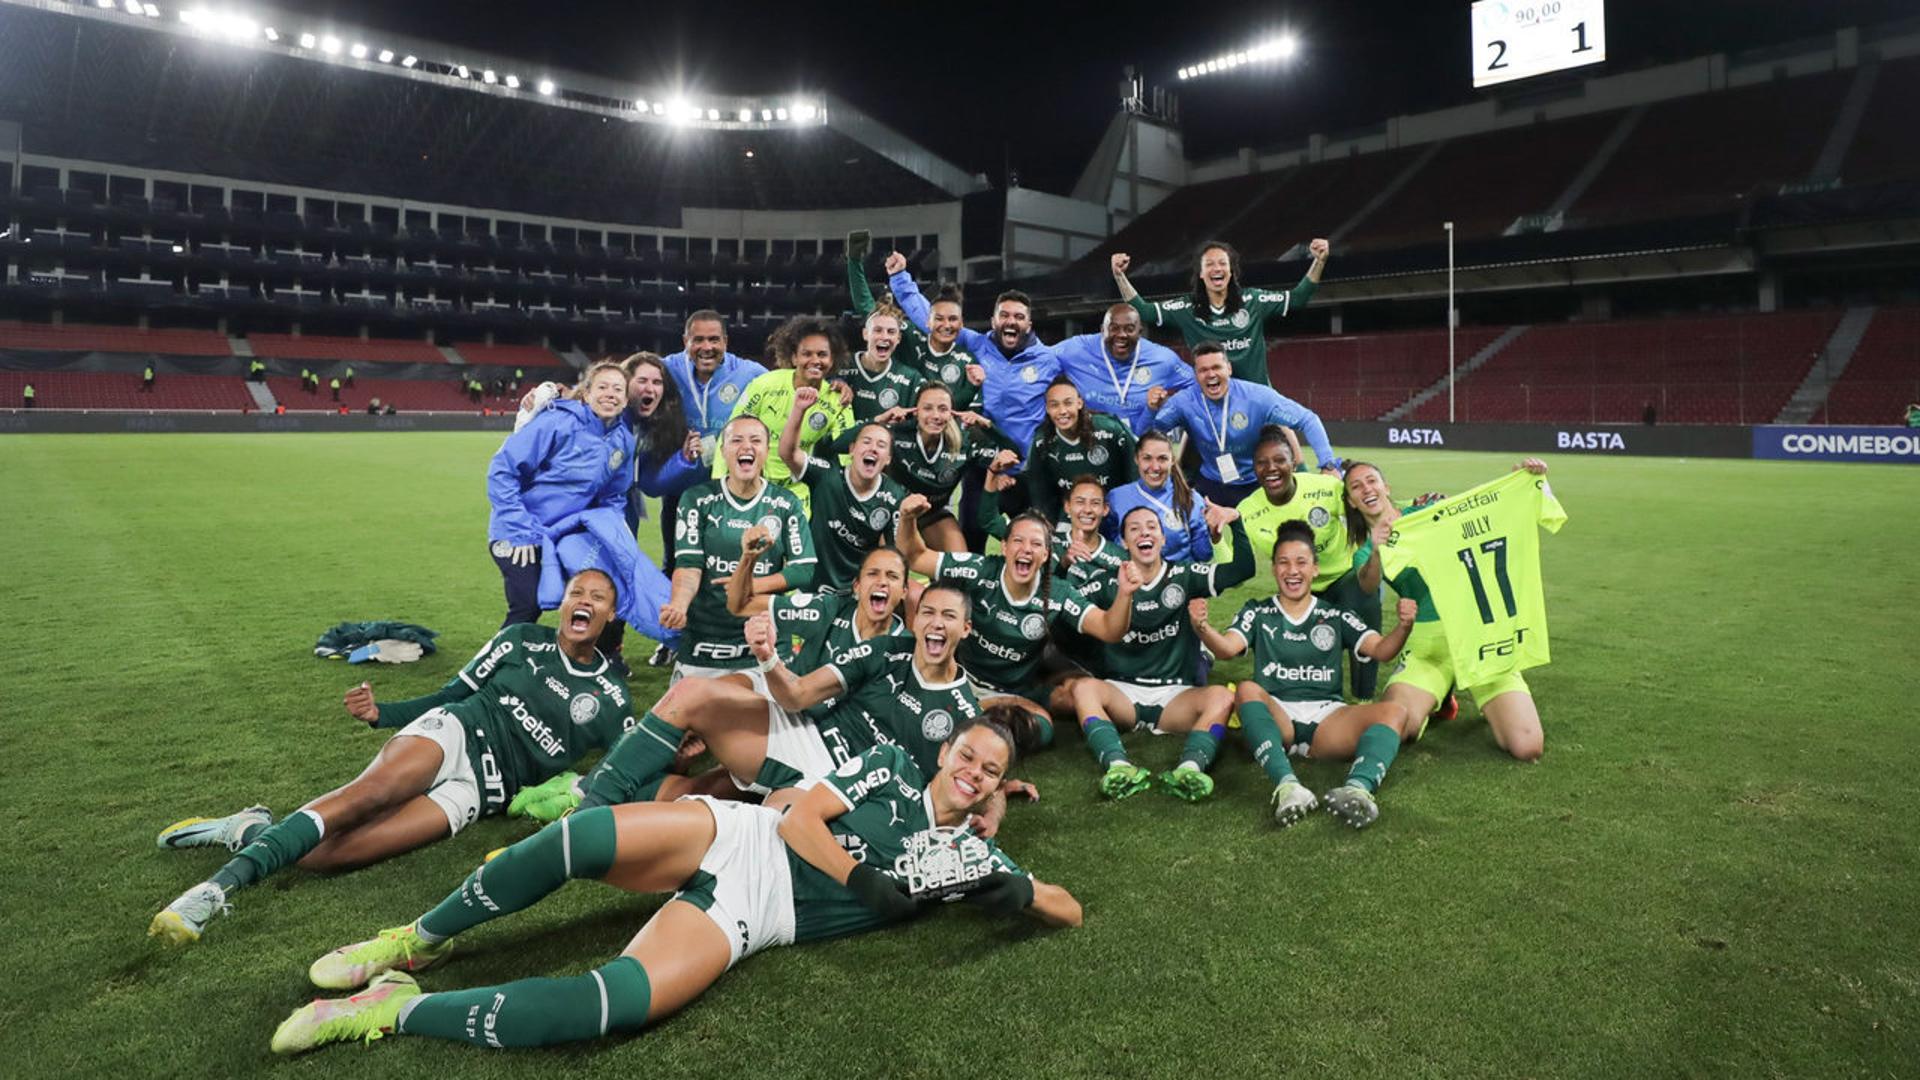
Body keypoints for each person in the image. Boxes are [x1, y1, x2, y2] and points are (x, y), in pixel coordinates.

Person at [268, 716, 1080, 1055]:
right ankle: (418, 938)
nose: (975, 774)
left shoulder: (971, 861)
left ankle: (391, 1007)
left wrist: (1010, 893)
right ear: (947, 756)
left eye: (993, 772)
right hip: (750, 834)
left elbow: (1066, 909)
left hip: (763, 911)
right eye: (969, 758)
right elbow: (799, 819)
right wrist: (862, 877)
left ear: (1002, 787)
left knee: (615, 1003)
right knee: (582, 835)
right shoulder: (894, 767)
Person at [149, 570, 640, 946]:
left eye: (597, 598)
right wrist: (382, 714)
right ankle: (212, 893)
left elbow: (623, 767)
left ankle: (249, 828)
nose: (584, 601)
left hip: (481, 791)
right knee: (368, 795)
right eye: (577, 592)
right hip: (455, 730)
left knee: (328, 856)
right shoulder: (519, 640)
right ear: (563, 604)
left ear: (610, 616)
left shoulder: (613, 698)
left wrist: (676, 758)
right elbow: (451, 692)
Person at [573, 583, 981, 815]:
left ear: (965, 629)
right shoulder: (887, 648)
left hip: (839, 789)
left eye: (948, 616)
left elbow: (960, 788)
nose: (935, 623)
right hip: (805, 734)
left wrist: (992, 806)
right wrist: (768, 657)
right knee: (692, 693)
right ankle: (595, 802)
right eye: (927, 613)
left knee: (724, 817)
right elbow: (799, 695)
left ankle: (619, 808)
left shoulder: (964, 713)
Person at [1191, 521, 1420, 830]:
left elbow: (1381, 650)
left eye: (1301, 562)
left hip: (1328, 719)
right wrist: (1202, 628)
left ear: (1315, 568)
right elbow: (1227, 649)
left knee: (1395, 712)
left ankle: (1357, 789)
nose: (1292, 571)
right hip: (1277, 714)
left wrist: (1404, 626)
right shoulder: (1258, 611)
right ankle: (1288, 787)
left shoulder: (1334, 614)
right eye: (1283, 563)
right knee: (1245, 689)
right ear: (1273, 569)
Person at [1346, 459, 1557, 762]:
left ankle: (1454, 695)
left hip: (1479, 638)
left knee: (1527, 746)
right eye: (1356, 486)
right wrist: (1378, 550)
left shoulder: (1424, 514)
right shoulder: (1366, 549)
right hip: (1427, 647)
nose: (1366, 488)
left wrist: (1516, 484)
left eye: (1371, 480)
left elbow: (1477, 514)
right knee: (1396, 726)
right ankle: (1438, 694)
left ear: (1385, 486)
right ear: (1352, 502)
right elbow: (1367, 585)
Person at [899, 496, 1137, 753]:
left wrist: (1125, 594)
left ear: (1046, 555)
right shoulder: (980, 570)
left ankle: (968, 723)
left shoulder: (1058, 594)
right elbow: (915, 557)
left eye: (1036, 544)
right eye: (1018, 541)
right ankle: (967, 719)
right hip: (962, 680)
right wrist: (908, 518)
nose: (1026, 549)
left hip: (1013, 693)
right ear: (1004, 547)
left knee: (1043, 728)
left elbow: (1108, 629)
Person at [1058, 506, 1254, 801]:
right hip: (1122, 694)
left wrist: (1235, 523)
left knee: (1223, 697)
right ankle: (1118, 766)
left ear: (1163, 539)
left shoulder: (1185, 575)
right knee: (1083, 688)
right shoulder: (1106, 582)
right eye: (1134, 529)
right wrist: (1062, 564)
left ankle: (1189, 769)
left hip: (1176, 697)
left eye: (1152, 527)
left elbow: (1243, 569)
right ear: (1123, 543)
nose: (1144, 532)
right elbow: (1060, 602)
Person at [1228, 426, 1381, 698]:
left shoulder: (1326, 488)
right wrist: (1217, 536)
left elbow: (1367, 507)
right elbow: (1233, 567)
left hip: (1341, 578)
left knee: (1364, 598)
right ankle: (1290, 693)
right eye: (1262, 463)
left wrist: (1413, 505)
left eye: (1279, 460)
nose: (1271, 468)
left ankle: (1363, 697)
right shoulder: (1247, 511)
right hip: (1296, 587)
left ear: (1293, 463)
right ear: (1254, 469)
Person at [663, 414, 815, 680]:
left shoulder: (785, 503)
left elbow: (803, 570)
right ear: (723, 451)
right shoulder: (697, 499)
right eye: (736, 440)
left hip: (763, 637)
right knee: (685, 718)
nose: (747, 447)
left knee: (768, 719)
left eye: (756, 441)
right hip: (704, 638)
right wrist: (679, 604)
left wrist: (746, 585)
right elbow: (689, 565)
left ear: (767, 451)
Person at [485, 362, 636, 627]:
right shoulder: (558, 421)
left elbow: (614, 496)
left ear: (625, 400)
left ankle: (582, 661)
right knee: (527, 605)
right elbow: (502, 470)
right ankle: (496, 666)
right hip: (518, 530)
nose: (610, 394)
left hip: (565, 534)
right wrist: (520, 529)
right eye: (602, 387)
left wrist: (609, 533)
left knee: (598, 596)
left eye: (618, 389)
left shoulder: (623, 441)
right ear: (586, 394)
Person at [1111, 237, 1330, 387]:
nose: (1217, 268)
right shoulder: (1187, 308)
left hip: (1256, 399)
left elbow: (1298, 298)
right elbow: (1145, 312)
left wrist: (1319, 261)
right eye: (1210, 264)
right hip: (1213, 397)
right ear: (1201, 274)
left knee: (1283, 443)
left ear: (1232, 271)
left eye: (1222, 263)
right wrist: (1120, 276)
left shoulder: (1253, 300)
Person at [1150, 342, 1339, 506]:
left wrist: (1328, 464)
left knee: (1258, 542)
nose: (1211, 374)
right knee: (1196, 539)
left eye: (1217, 367)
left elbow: (1308, 420)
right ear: (1196, 375)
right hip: (1210, 481)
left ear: (1229, 369)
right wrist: (1151, 409)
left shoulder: (1257, 397)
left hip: (1253, 482)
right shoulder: (1183, 401)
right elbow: (1151, 433)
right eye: (1203, 370)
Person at [862, 380, 1014, 554]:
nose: (935, 415)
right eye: (927, 408)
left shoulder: (966, 441)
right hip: (892, 514)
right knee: (890, 565)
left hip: (931, 515)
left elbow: (1014, 453)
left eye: (943, 409)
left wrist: (987, 425)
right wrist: (879, 420)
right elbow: (845, 443)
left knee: (958, 565)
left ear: (951, 413)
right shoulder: (896, 433)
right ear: (916, 411)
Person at [778, 392, 905, 593]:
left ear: (888, 458)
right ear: (852, 449)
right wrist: (799, 410)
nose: (873, 448)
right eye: (866, 442)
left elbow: (894, 553)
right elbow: (788, 453)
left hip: (857, 593)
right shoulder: (826, 474)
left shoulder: (894, 496)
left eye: (881, 446)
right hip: (812, 589)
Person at [722, 316, 855, 498]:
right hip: (752, 486)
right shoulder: (764, 385)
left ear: (832, 360)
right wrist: (721, 483)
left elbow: (847, 453)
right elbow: (730, 434)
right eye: (807, 354)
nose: (815, 360)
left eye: (822, 354)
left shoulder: (838, 400)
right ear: (794, 357)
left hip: (798, 491)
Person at [848, 239, 979, 414]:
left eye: (952, 319)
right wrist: (854, 261)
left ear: (961, 324)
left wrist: (972, 388)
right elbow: (870, 311)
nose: (946, 325)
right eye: (939, 318)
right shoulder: (909, 333)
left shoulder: (968, 358)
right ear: (928, 320)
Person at [1052, 303, 1194, 436]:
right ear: (1102, 330)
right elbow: (1041, 362)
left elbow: (1197, 384)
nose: (1121, 335)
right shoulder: (1076, 350)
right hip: (1091, 445)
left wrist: (1168, 408)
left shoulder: (1163, 359)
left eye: (1129, 329)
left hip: (1139, 446)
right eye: (1114, 328)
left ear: (1140, 332)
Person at [1022, 376, 1137, 523]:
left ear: (1080, 403)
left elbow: (1135, 475)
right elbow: (1041, 495)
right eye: (1054, 405)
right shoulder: (1042, 442)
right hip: (1071, 518)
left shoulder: (1111, 430)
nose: (1062, 411)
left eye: (1068, 403)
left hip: (1115, 514)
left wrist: (1131, 517)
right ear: (1047, 409)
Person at [1106, 429, 1227, 563]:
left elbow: (1203, 555)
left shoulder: (1191, 499)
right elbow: (1108, 546)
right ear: (1136, 459)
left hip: (1178, 581)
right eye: (1147, 458)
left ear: (1172, 460)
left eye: (1162, 459)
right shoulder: (1116, 498)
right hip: (1134, 579)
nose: (1155, 467)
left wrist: (1213, 535)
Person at [844, 307, 919, 424]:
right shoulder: (841, 365)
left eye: (891, 332)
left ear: (898, 338)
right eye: (878, 330)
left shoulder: (911, 378)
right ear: (865, 334)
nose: (884, 337)